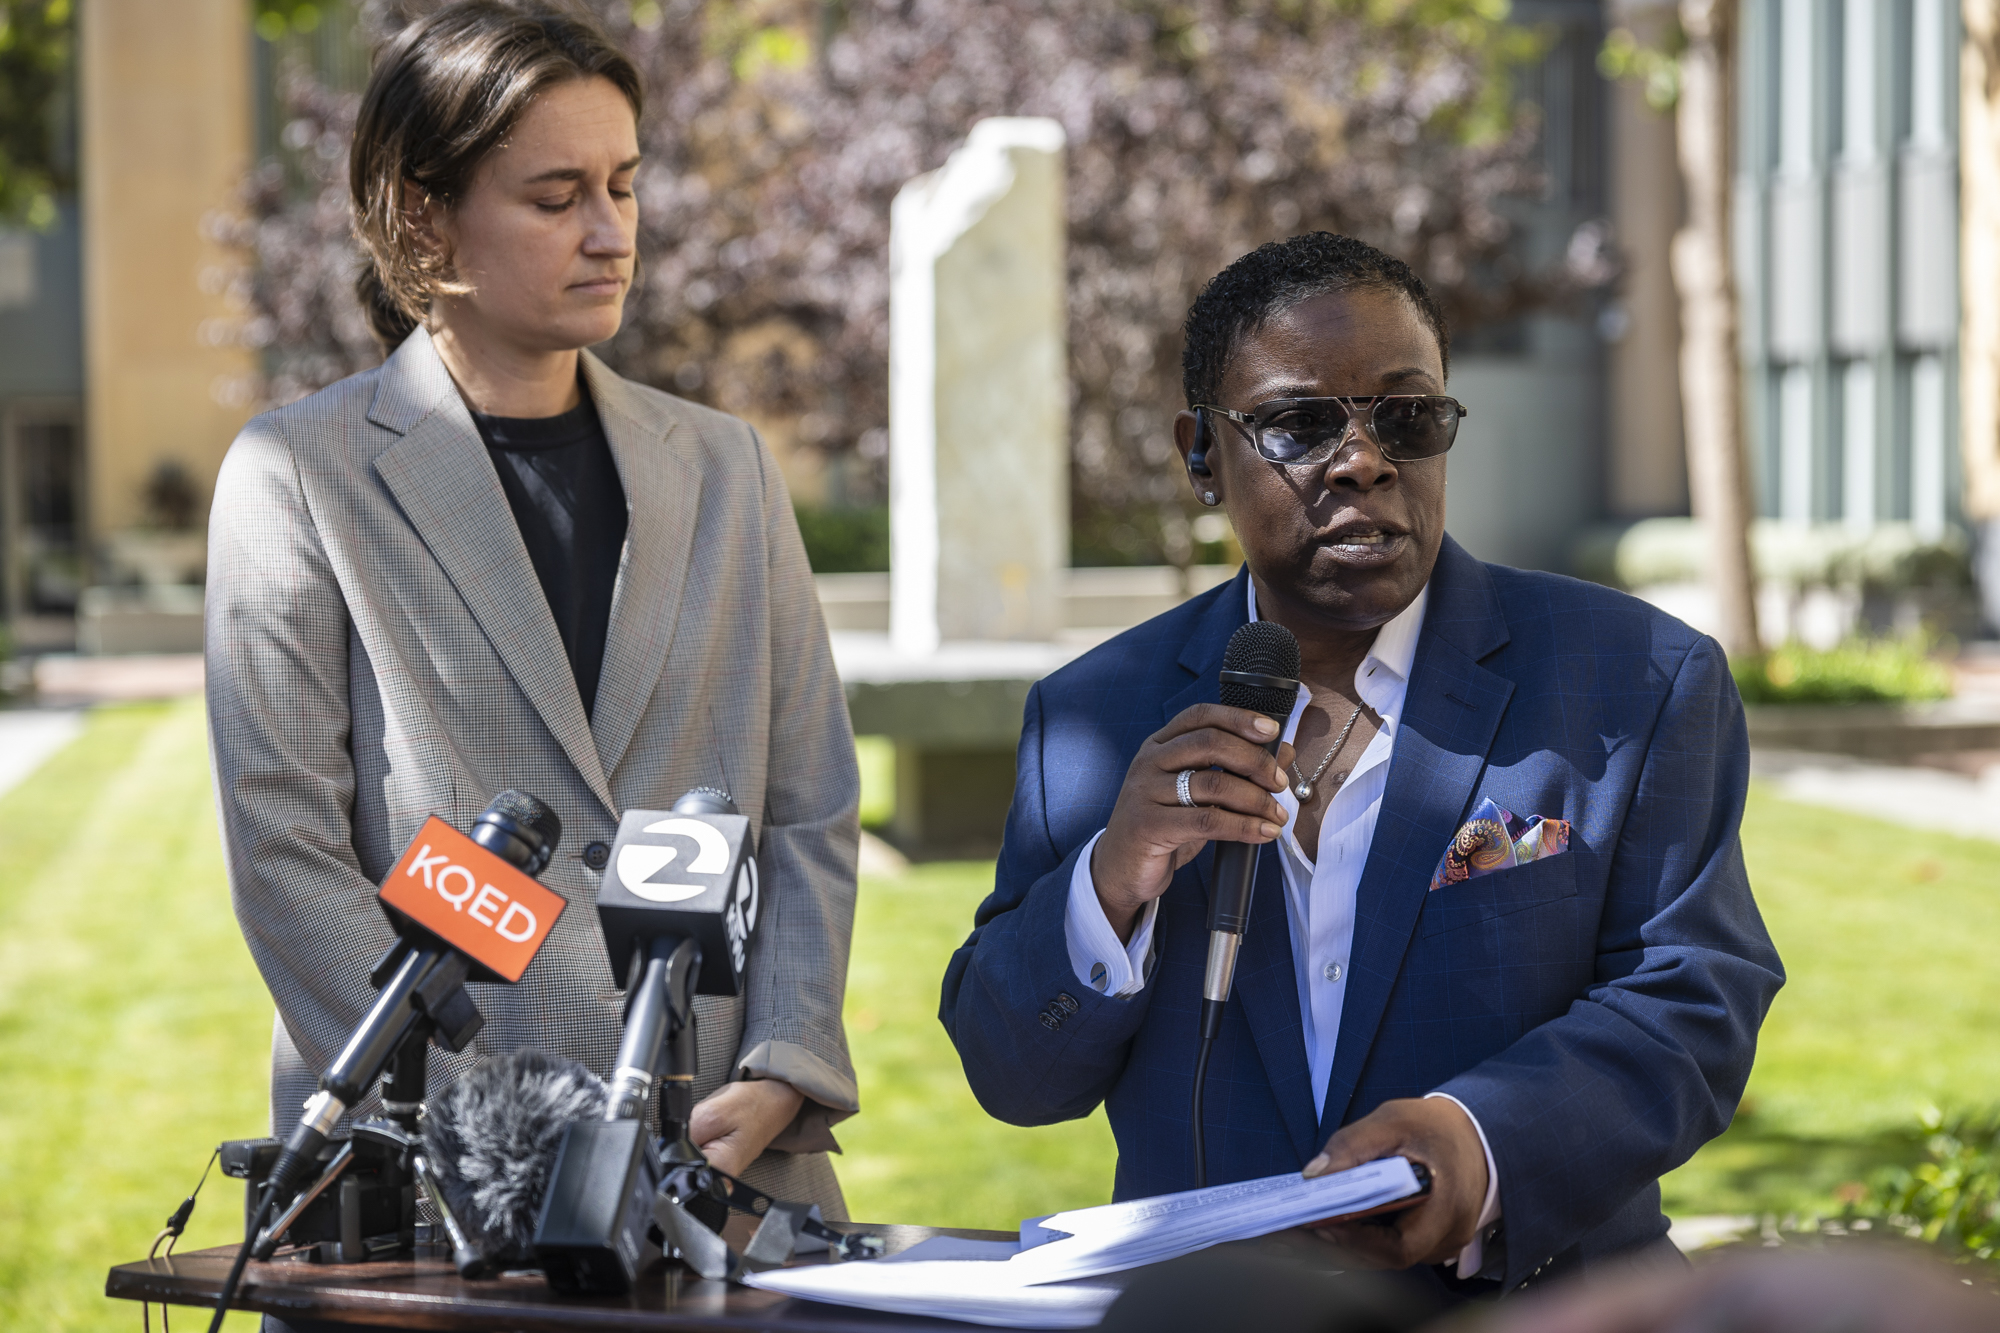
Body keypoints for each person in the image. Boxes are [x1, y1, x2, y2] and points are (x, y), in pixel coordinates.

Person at [940, 232, 1784, 1299]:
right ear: (1201, 453)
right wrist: (1113, 875)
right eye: (1298, 422)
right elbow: (1013, 1075)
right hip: (1219, 1317)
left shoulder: (1634, 682)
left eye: (1405, 417)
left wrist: (1478, 1140)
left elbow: (1692, 998)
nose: (1362, 459)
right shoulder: (1092, 717)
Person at [205, 0, 858, 1252]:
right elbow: (285, 850)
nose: (611, 231)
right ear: (422, 215)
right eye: (556, 196)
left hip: (729, 1161)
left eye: (623, 184)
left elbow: (814, 806)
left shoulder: (727, 468)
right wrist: (501, 1125)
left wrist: (781, 1061)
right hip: (426, 1180)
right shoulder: (298, 472)